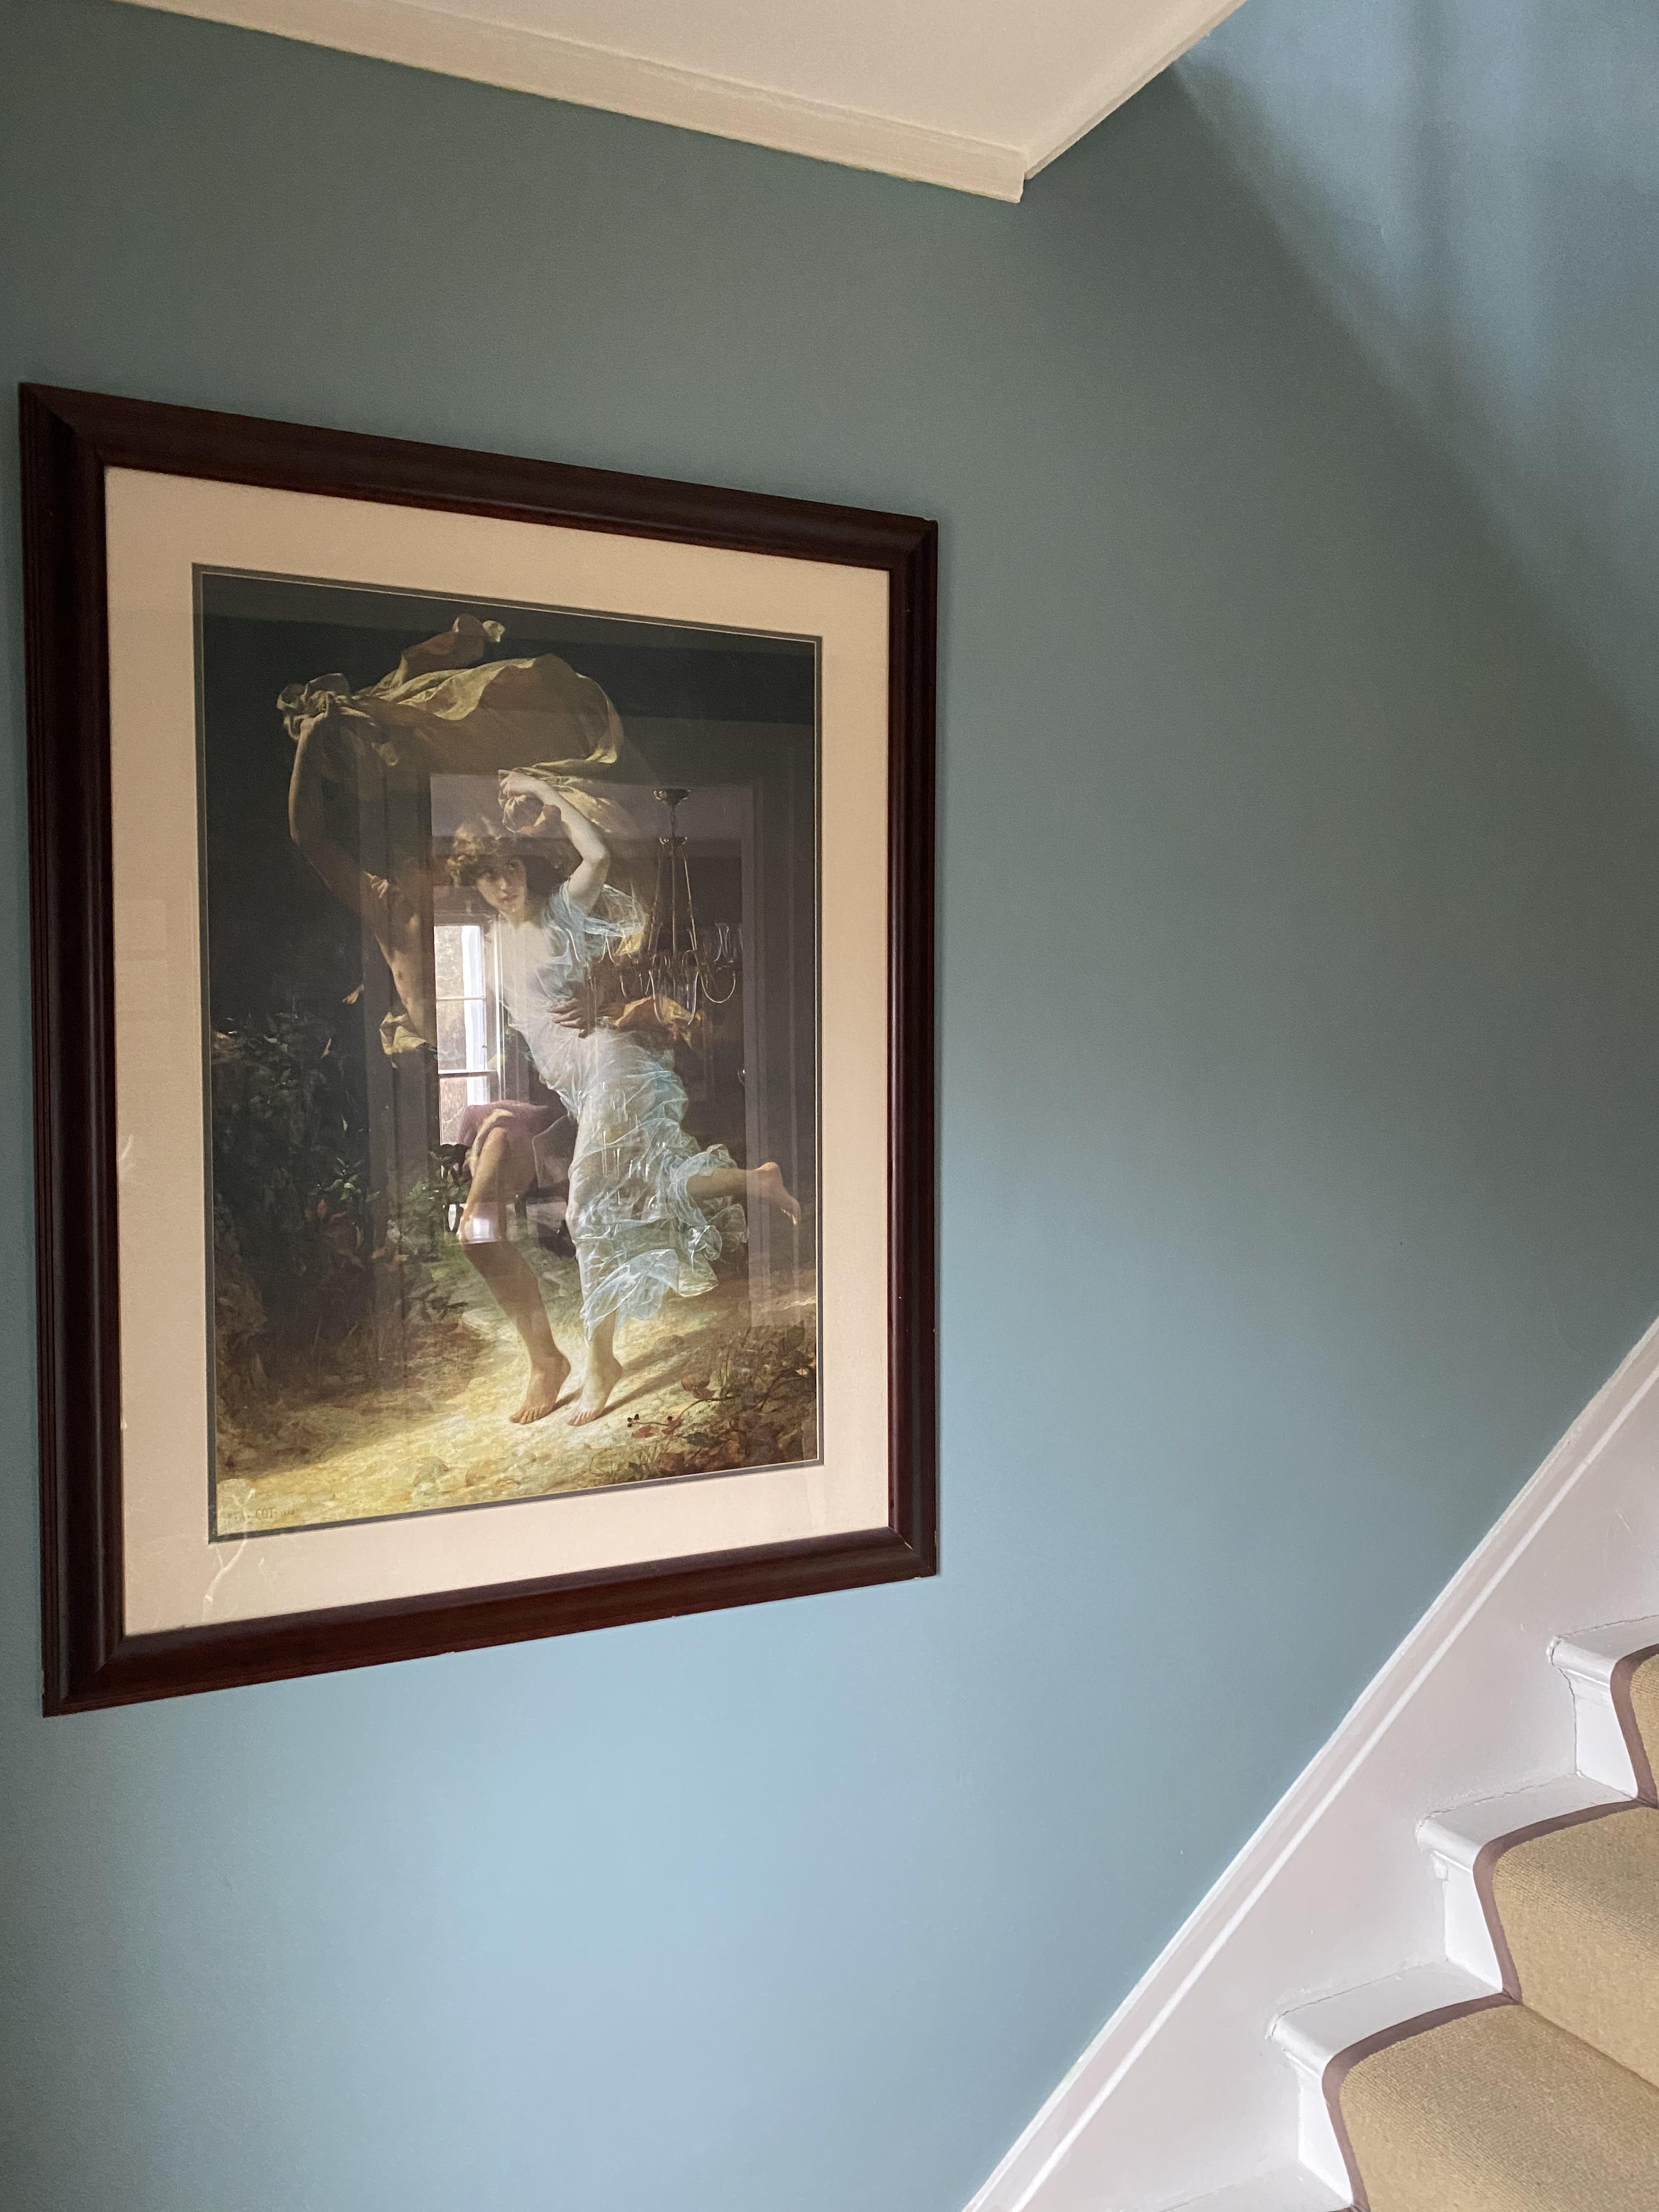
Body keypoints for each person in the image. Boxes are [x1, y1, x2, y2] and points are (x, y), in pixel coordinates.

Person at [450, 771, 800, 1427]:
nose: (505, 884)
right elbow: (530, 1021)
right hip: (578, 1082)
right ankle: (757, 1180)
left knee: (588, 1209)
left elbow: (597, 856)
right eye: (489, 878)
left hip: (609, 1061)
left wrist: (547, 795)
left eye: (510, 869)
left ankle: (600, 1362)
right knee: (647, 1183)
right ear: (477, 887)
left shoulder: (561, 912)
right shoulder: (496, 942)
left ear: (522, 866)